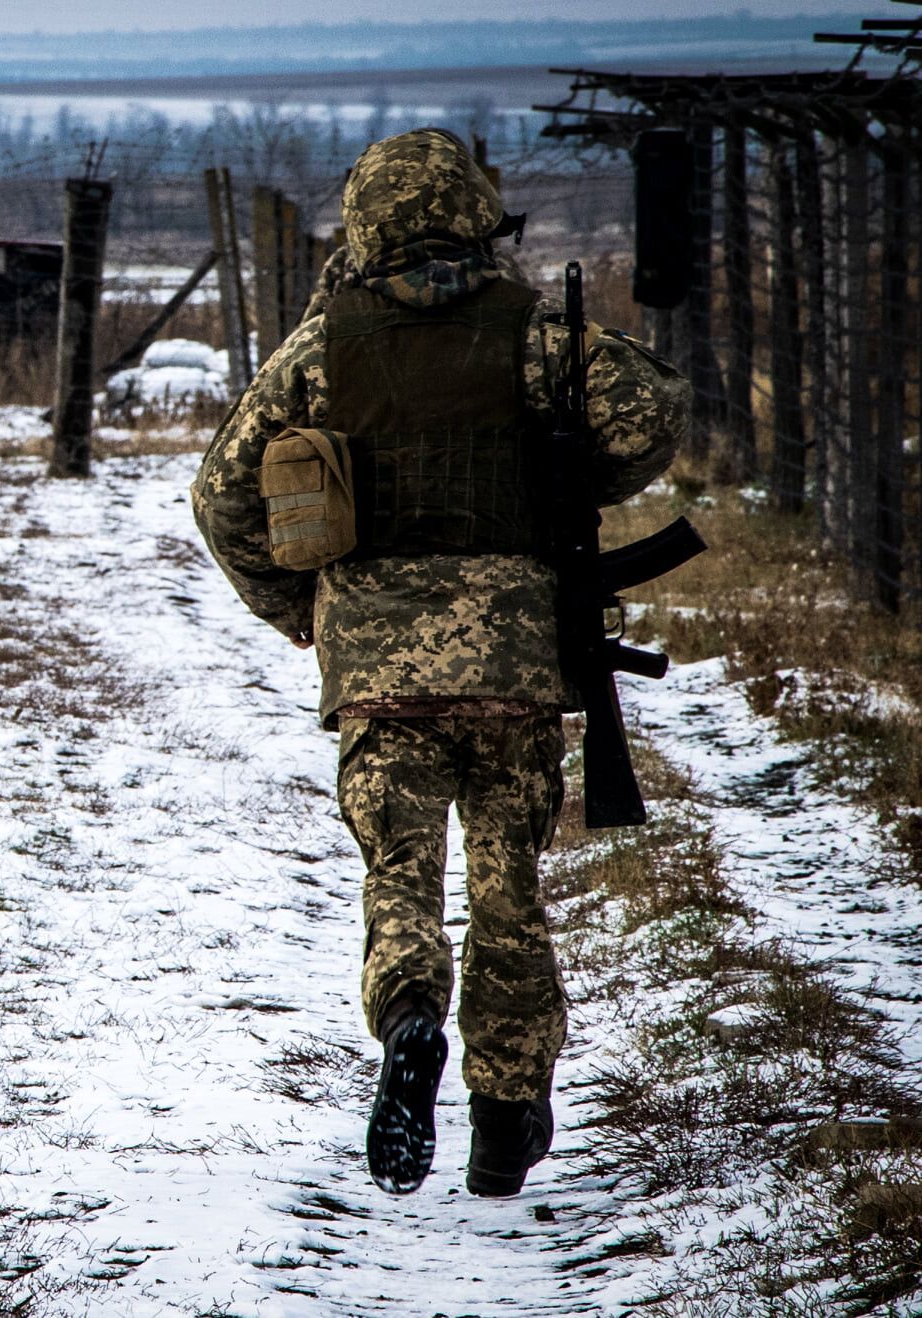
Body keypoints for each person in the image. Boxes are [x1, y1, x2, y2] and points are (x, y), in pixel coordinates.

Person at [191, 128, 689, 1197]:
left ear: (364, 217)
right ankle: (504, 1116)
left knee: (398, 873)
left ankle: (410, 1015)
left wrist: (299, 611)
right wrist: (571, 465)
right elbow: (651, 418)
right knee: (508, 887)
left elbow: (220, 492)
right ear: (472, 212)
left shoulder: (326, 340)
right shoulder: (532, 331)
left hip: (375, 668)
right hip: (513, 660)